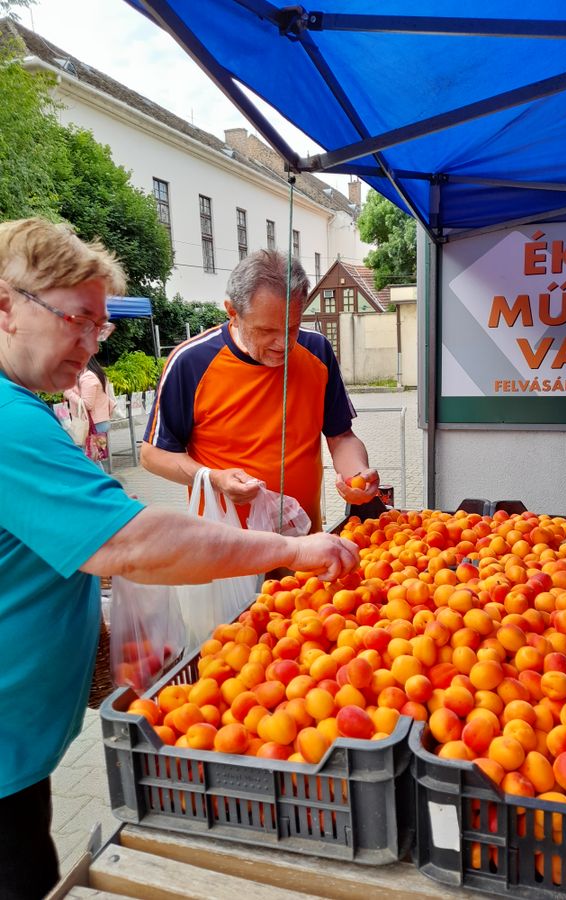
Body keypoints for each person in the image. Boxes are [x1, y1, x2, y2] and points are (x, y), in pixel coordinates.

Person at [0, 218, 358, 900]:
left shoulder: (24, 409)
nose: (89, 345)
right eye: (77, 319)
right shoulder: (10, 422)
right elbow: (130, 543)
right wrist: (289, 549)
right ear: (5, 306)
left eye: (99, 327)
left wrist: (91, 637)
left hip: (18, 745)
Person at [141, 249, 380, 532]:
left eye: (292, 328)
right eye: (266, 330)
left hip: (301, 540)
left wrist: (357, 475)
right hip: (227, 549)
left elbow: (341, 436)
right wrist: (213, 478)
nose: (283, 343)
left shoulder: (317, 350)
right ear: (233, 312)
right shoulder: (190, 362)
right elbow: (153, 455)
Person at [63, 356, 115, 468]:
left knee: (92, 460)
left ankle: (102, 484)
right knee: (94, 458)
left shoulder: (88, 378)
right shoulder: (96, 374)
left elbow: (87, 404)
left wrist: (69, 393)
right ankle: (102, 483)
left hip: (93, 426)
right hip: (99, 423)